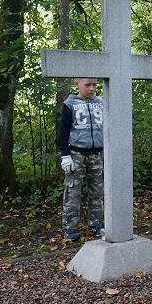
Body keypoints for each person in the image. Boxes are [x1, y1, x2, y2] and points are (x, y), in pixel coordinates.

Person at [57, 77, 105, 241]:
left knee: (97, 191)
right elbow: (63, 131)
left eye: (94, 85)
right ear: (77, 84)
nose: (92, 89)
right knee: (73, 192)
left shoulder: (101, 102)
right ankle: (70, 228)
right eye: (88, 85)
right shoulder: (70, 104)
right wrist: (65, 154)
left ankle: (97, 224)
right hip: (76, 153)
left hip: (97, 153)